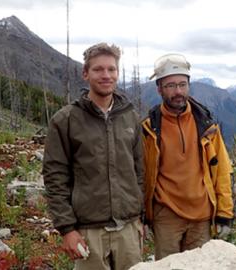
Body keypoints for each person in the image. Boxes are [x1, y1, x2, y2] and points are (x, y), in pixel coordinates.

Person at [43, 42, 144, 270]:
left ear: (117, 73)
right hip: (88, 231)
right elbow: (55, 177)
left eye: (111, 69)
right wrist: (67, 229)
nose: (106, 75)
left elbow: (139, 170)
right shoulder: (65, 120)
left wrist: (140, 218)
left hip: (128, 229)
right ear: (85, 74)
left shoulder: (130, 117)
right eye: (98, 69)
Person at [142, 53, 234, 260]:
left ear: (189, 86)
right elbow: (142, 175)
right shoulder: (149, 129)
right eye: (170, 86)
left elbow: (222, 172)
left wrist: (225, 213)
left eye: (182, 85)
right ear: (159, 89)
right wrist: (143, 216)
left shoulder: (207, 126)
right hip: (166, 216)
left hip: (202, 216)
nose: (178, 92)